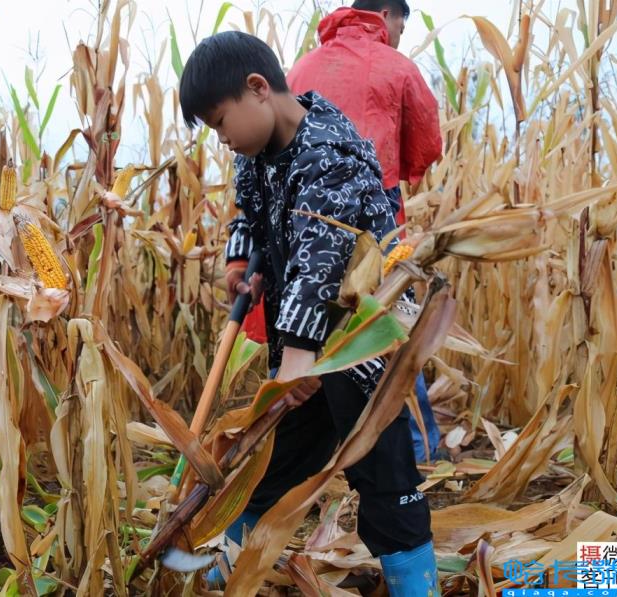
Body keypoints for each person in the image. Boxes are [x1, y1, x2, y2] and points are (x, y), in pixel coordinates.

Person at [179, 30, 438, 596]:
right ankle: (227, 559)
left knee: (379, 467)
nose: (222, 140)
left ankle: (415, 582)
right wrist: (241, 257)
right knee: (277, 454)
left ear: (258, 89)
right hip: (305, 342)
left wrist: (297, 360)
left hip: (360, 339)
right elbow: (250, 206)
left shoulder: (328, 152)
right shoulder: (262, 149)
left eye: (221, 123)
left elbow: (322, 262)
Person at [287, 0, 444, 462]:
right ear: (389, 15)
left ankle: (320, 452)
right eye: (401, 25)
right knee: (391, 321)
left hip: (308, 219)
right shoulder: (396, 66)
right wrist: (399, 171)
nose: (399, 34)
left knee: (316, 325)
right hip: (377, 214)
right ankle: (417, 448)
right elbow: (427, 144)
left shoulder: (300, 70)